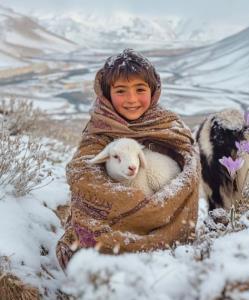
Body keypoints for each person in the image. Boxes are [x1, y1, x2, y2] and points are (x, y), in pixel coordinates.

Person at [56, 49, 200, 270]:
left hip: (168, 223)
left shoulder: (170, 127)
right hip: (109, 228)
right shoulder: (99, 130)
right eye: (121, 90)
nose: (131, 100)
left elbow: (189, 164)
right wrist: (130, 201)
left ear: (153, 91)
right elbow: (82, 171)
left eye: (140, 89)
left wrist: (155, 208)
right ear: (106, 93)